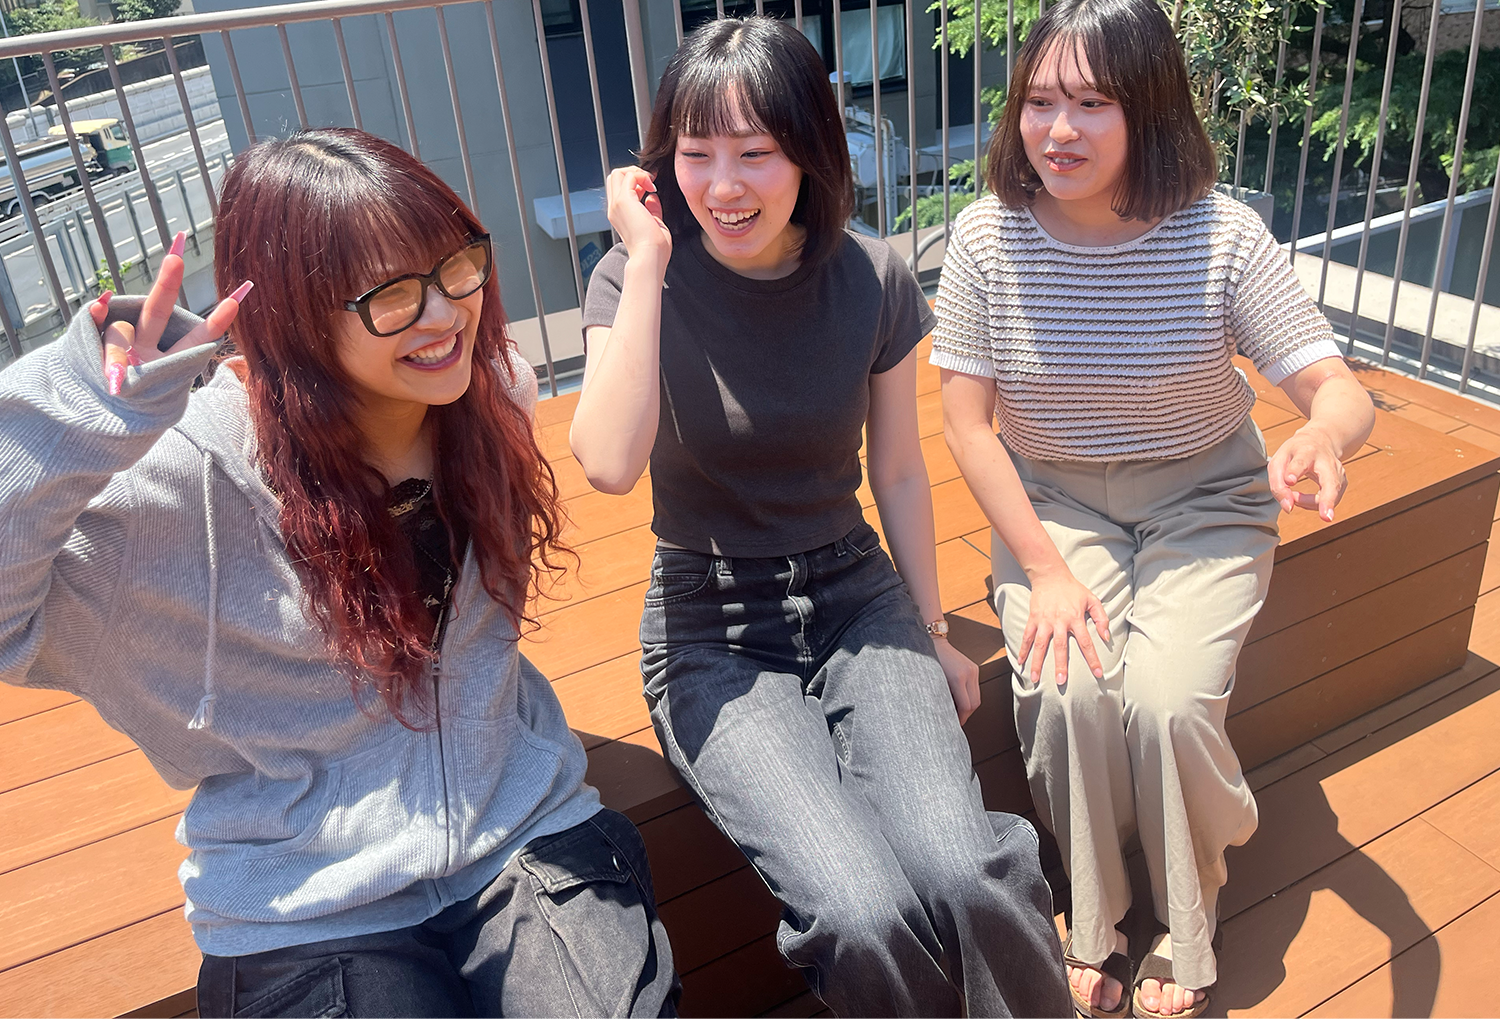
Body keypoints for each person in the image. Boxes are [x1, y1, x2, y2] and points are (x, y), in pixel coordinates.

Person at [0, 128, 677, 1019]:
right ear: (294, 316)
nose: (444, 314)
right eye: (390, 294)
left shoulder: (489, 396)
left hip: (515, 829)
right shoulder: (188, 482)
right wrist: (78, 409)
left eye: (455, 266)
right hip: (305, 899)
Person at [569, 16, 1070, 1018]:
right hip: (711, 628)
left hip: (854, 595)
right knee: (858, 908)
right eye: (696, 153)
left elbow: (899, 469)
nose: (724, 185)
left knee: (965, 867)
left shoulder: (872, 276)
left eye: (755, 152)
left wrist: (930, 627)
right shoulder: (637, 277)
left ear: (809, 150)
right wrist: (649, 258)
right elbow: (608, 462)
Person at [932, 2, 1377, 1017]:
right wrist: (1046, 568)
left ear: (1150, 109)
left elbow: (1337, 389)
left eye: (1093, 103)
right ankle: (1097, 914)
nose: (1059, 130)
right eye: (1040, 100)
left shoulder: (1221, 235)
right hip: (1053, 503)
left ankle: (1190, 907)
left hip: (1205, 494)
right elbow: (965, 426)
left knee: (1169, 702)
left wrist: (1323, 437)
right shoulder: (986, 238)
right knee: (1069, 692)